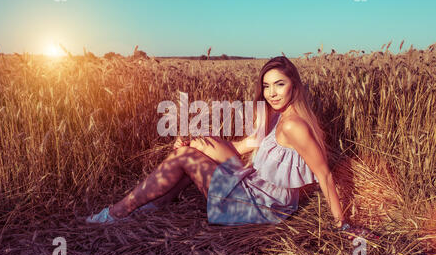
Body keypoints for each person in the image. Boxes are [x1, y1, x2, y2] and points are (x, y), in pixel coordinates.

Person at [86, 56, 350, 231]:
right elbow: (238, 148)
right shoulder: (276, 117)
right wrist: (197, 140)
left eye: (279, 85)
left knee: (184, 158)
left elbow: (324, 174)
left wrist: (343, 226)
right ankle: (159, 200)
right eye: (267, 86)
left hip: (263, 205)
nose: (272, 93)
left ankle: (118, 212)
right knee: (190, 149)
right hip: (257, 189)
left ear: (295, 85)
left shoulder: (294, 125)